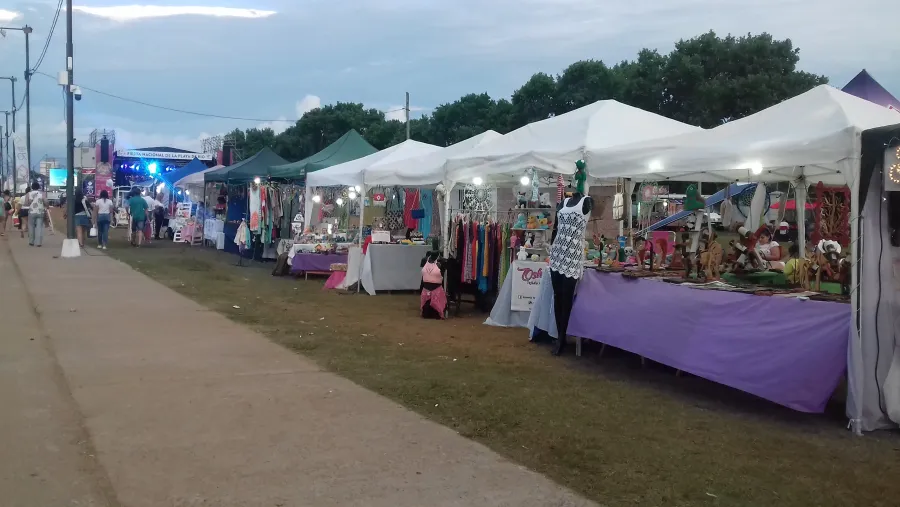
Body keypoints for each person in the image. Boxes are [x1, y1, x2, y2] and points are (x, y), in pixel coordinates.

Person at [21, 182, 46, 247]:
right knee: (39, 227)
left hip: (31, 212)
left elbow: (26, 203)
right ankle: (39, 243)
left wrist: (30, 202)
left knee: (31, 226)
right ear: (38, 187)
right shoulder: (42, 193)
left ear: (32, 187)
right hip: (40, 212)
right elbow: (46, 201)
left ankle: (31, 242)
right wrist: (46, 206)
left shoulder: (28, 194)